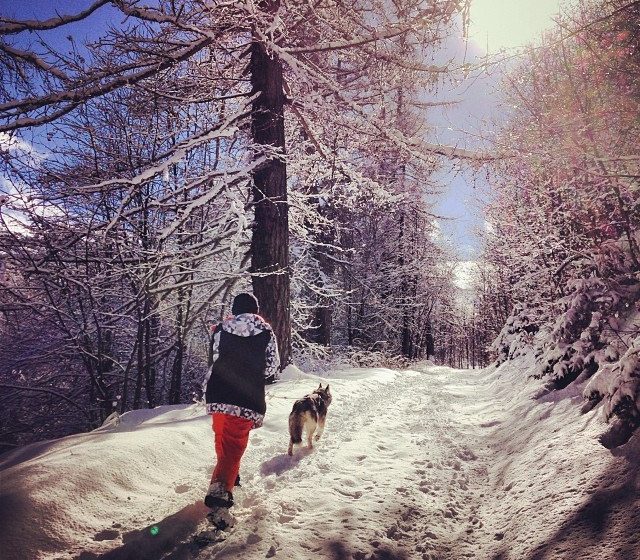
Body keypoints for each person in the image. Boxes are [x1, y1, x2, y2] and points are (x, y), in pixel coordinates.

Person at [202, 292, 280, 529]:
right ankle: (220, 495)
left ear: (235, 310)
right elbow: (272, 367)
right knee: (234, 443)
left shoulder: (220, 330)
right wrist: (252, 372)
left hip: (218, 392)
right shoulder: (266, 333)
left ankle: (228, 476)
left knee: (222, 438)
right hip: (245, 396)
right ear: (255, 311)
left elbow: (213, 359)